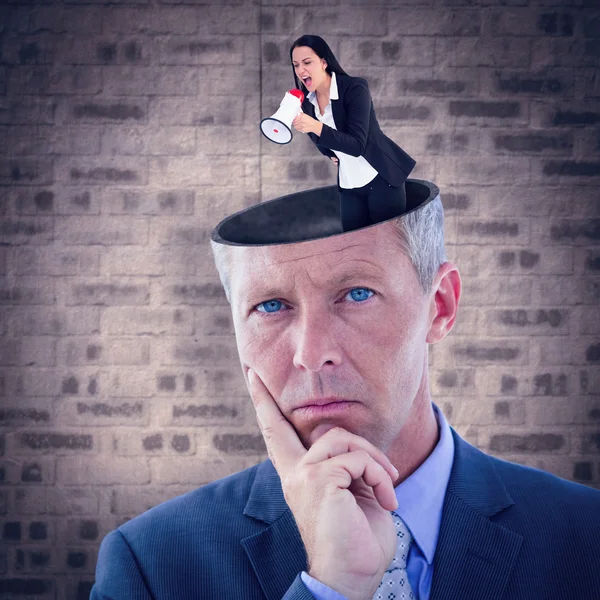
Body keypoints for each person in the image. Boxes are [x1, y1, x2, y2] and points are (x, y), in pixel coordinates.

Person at [90, 184, 600, 600]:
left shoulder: (586, 540)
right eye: (270, 306)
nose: (311, 353)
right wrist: (331, 590)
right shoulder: (152, 567)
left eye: (357, 294)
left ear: (440, 306)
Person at [290, 35, 416, 232]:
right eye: (296, 65)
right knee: (354, 253)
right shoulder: (307, 102)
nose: (300, 70)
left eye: (307, 62)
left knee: (388, 250)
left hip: (380, 179)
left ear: (324, 62)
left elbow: (357, 145)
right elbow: (325, 145)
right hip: (349, 185)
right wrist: (333, 153)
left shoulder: (355, 88)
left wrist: (315, 126)